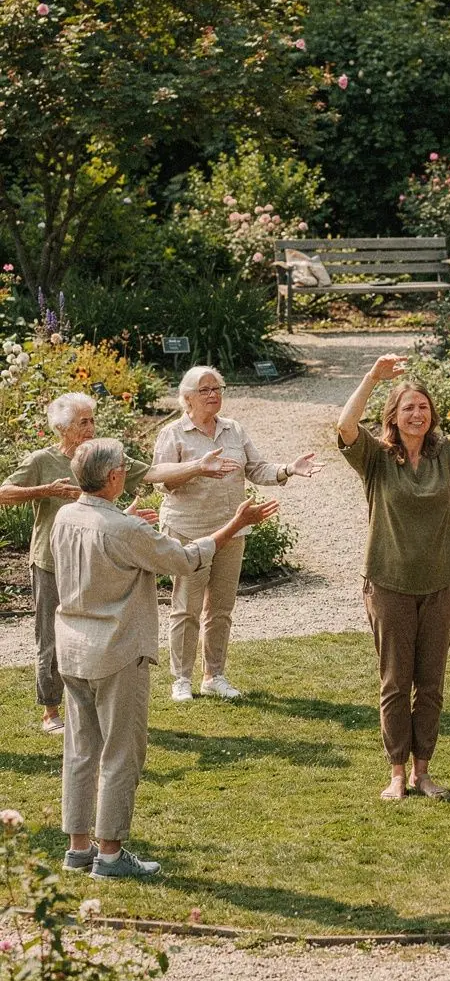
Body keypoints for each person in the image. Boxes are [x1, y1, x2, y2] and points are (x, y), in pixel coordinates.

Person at [52, 438, 279, 880]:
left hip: (73, 649)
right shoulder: (123, 530)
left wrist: (128, 523)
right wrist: (235, 523)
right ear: (115, 478)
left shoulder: (68, 516)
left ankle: (79, 849)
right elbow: (185, 559)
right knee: (121, 753)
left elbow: (105, 546)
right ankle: (112, 855)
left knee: (80, 751)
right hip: (116, 651)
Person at [0, 391, 238, 734]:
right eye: (84, 422)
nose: (91, 427)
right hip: (51, 562)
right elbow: (4, 493)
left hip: (95, 561)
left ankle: (92, 703)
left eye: (92, 420)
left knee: (94, 632)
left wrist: (198, 466)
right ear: (63, 429)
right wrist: (44, 490)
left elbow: (153, 472)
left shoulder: (102, 457)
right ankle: (51, 711)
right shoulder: (42, 460)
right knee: (50, 637)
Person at [337, 352, 450, 801]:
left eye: (424, 407)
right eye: (409, 407)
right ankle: (395, 772)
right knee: (395, 680)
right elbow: (346, 427)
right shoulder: (375, 458)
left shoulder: (447, 453)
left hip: (442, 582)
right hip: (389, 581)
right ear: (393, 416)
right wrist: (373, 376)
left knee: (431, 683)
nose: (418, 414)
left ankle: (422, 772)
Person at [151, 366, 323, 702]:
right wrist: (198, 467)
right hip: (188, 530)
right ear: (187, 398)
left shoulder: (233, 430)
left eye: (217, 388)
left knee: (221, 608)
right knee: (187, 607)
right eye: (205, 389)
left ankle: (214, 676)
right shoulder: (174, 433)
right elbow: (161, 479)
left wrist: (289, 469)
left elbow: (255, 468)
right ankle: (181, 679)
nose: (214, 394)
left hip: (231, 529)